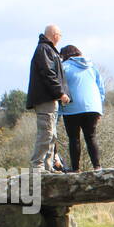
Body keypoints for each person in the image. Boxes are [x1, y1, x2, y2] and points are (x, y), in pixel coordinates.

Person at [27, 25, 70, 172]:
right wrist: (60, 93)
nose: (60, 37)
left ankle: (48, 165)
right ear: (54, 34)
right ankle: (37, 165)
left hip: (50, 99)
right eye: (59, 34)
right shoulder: (44, 49)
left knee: (52, 135)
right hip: (45, 99)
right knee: (46, 133)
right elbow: (48, 73)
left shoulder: (47, 49)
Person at [58, 45, 105, 171]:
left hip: (72, 106)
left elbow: (58, 87)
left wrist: (57, 112)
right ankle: (97, 166)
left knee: (74, 138)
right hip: (93, 107)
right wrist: (99, 108)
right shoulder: (91, 66)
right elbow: (101, 88)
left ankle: (76, 169)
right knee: (91, 137)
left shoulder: (64, 67)